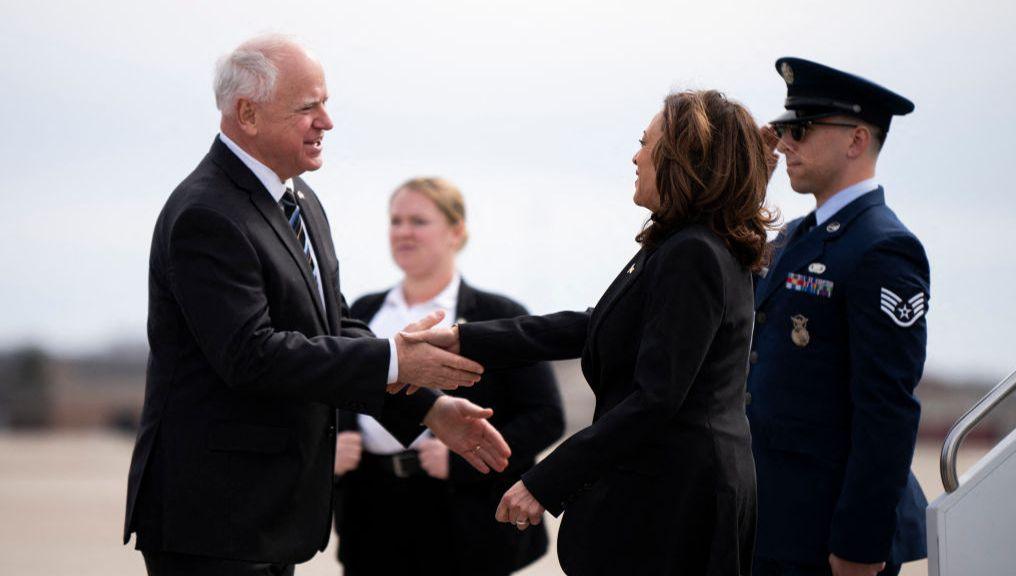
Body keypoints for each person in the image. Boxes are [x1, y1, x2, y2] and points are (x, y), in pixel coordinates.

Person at [122, 34, 511, 576]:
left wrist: (428, 407)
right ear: (247, 114)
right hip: (214, 519)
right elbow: (251, 356)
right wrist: (395, 360)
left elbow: (334, 326)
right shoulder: (206, 213)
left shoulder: (299, 199)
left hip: (272, 518)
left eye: (325, 104)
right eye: (308, 108)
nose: (326, 122)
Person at [405, 90, 776, 576]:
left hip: (675, 505)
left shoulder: (693, 253)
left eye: (646, 143)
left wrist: (546, 481)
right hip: (677, 494)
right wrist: (466, 340)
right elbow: (595, 323)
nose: (636, 156)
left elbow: (657, 399)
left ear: (683, 159)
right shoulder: (690, 243)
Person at [746, 57, 929, 576]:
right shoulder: (798, 237)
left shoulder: (883, 249)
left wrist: (860, 546)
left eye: (799, 130)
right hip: (773, 524)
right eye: (784, 130)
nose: (784, 144)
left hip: (828, 539)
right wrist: (749, 183)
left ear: (856, 140)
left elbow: (887, 413)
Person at [332, 177, 566, 576]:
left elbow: (546, 417)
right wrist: (334, 445)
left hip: (464, 512)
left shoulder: (499, 313)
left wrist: (461, 460)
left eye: (418, 221)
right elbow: (336, 387)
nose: (403, 231)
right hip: (369, 506)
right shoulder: (364, 310)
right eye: (396, 221)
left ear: (456, 231)